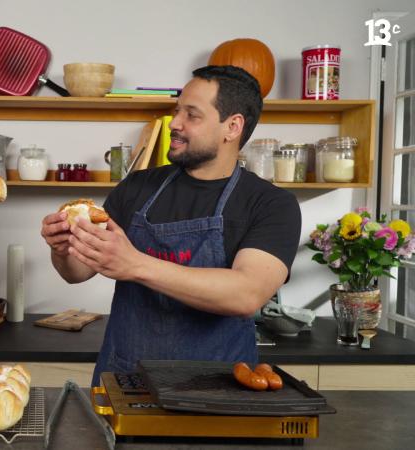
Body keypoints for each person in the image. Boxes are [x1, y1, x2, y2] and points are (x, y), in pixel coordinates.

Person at [40, 65, 301, 385]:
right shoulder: (135, 187)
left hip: (221, 391)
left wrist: (134, 264)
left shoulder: (271, 204)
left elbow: (246, 296)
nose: (174, 123)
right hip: (126, 383)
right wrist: (62, 247)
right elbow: (76, 272)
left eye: (192, 115)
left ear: (232, 127)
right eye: (177, 111)